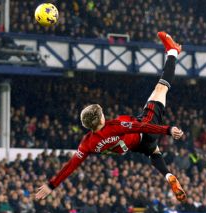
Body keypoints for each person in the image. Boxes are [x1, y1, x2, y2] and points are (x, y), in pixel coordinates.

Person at [36, 32, 187, 202]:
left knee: (154, 151)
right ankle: (173, 52)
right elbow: (141, 127)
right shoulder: (114, 125)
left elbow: (71, 166)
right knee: (161, 89)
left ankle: (168, 175)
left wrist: (52, 185)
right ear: (100, 119)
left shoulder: (87, 143)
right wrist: (167, 130)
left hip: (137, 146)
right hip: (145, 129)